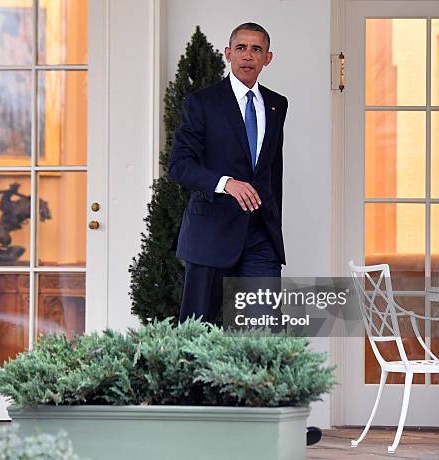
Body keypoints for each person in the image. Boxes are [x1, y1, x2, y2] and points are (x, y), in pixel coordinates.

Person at [169, 22, 322, 447]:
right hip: (211, 232)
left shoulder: (277, 105)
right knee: (195, 328)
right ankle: (190, 420)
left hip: (259, 237)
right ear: (227, 53)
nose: (248, 55)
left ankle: (266, 423)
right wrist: (225, 183)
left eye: (257, 49)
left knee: (261, 331)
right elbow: (179, 165)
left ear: (268, 58)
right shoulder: (201, 103)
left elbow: (272, 172)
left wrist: (273, 224)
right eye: (241, 47)